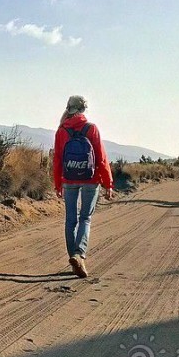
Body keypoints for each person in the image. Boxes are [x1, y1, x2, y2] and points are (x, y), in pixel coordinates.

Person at [52, 95, 114, 278]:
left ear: (69, 109)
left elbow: (57, 159)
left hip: (68, 179)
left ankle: (74, 257)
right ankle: (79, 255)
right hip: (90, 179)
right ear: (83, 109)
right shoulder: (91, 128)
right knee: (85, 218)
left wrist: (58, 184)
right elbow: (101, 158)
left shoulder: (61, 130)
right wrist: (108, 183)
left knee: (70, 220)